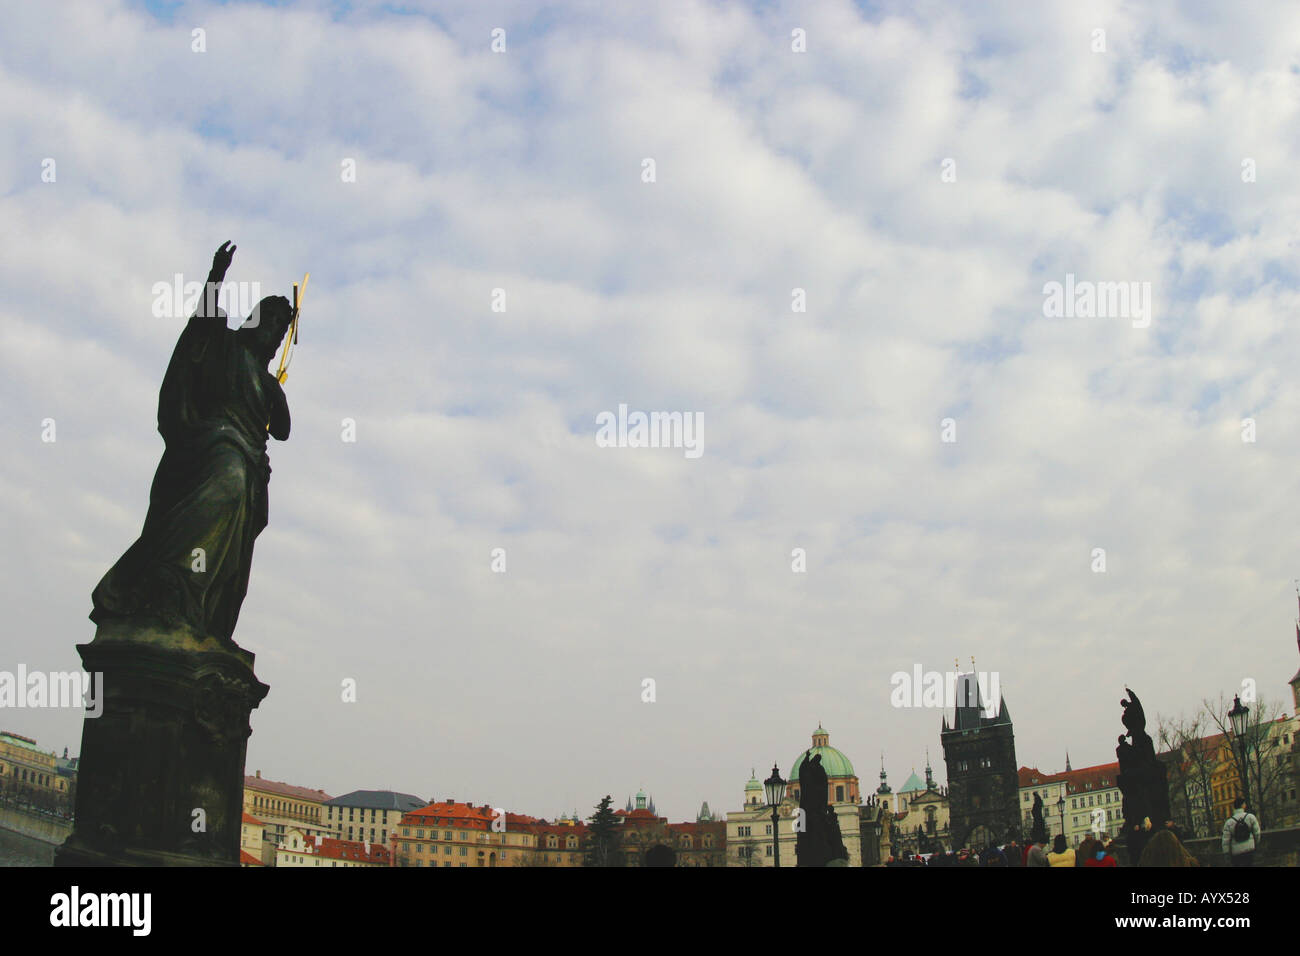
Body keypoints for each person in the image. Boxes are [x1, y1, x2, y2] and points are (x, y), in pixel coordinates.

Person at [91, 241, 295, 643]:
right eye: (267, 320)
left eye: (280, 328)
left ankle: (201, 611)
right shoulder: (224, 345)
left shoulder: (269, 384)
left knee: (234, 528)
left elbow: (284, 430)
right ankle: (172, 583)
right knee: (229, 476)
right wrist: (216, 276)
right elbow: (201, 323)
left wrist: (280, 393)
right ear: (253, 319)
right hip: (211, 446)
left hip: (249, 465)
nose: (272, 331)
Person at [1220, 797, 1261, 867]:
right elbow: (1257, 833)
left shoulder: (1229, 822)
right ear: (1242, 805)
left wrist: (1226, 853)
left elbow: (1225, 840)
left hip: (1236, 852)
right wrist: (1256, 843)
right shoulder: (1250, 817)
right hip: (1249, 849)